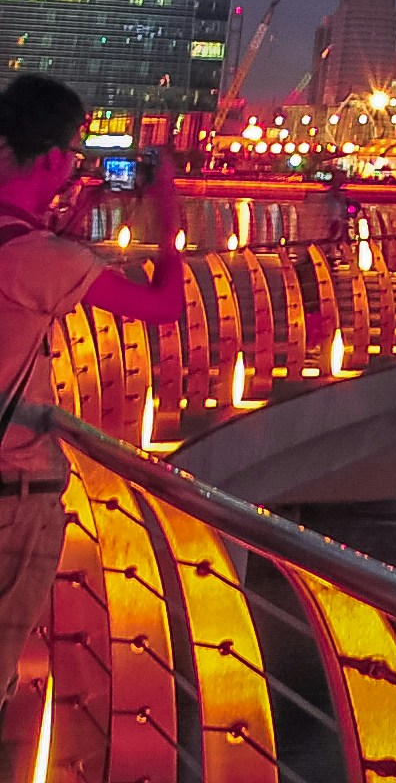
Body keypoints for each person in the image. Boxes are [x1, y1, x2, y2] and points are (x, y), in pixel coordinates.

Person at [0, 75, 181, 750]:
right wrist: (169, 222)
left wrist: (68, 226)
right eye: (75, 155)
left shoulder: (35, 247)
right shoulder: (43, 260)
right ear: (51, 160)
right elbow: (161, 308)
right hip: (12, 496)